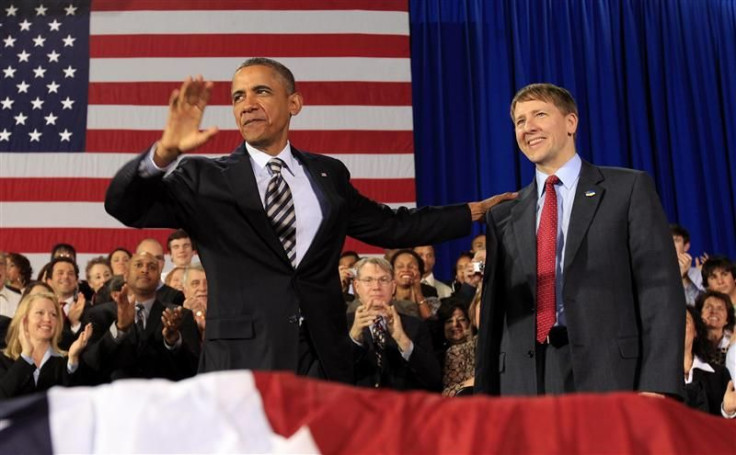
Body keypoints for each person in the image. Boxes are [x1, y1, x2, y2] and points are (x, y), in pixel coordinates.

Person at [104, 57, 515, 383]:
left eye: (261, 91)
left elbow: (393, 226)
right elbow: (125, 206)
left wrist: (473, 213)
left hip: (323, 354)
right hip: (244, 357)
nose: (247, 104)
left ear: (294, 103)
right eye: (237, 96)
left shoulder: (327, 174)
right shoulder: (204, 178)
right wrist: (163, 152)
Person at [475, 83, 685, 397]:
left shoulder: (627, 190)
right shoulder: (504, 214)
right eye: (519, 121)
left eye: (539, 115)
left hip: (611, 375)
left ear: (571, 122)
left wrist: (657, 385)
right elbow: (492, 316)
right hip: (524, 382)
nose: (527, 127)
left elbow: (660, 291)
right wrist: (486, 396)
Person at [348, 257, 441, 391]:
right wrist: (354, 337)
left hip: (400, 407)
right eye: (368, 280)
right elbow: (331, 376)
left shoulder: (415, 326)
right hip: (356, 406)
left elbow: (433, 379)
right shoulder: (340, 326)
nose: (376, 287)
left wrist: (402, 340)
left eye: (383, 280)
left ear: (393, 287)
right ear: (357, 287)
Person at [0, 292, 93, 399]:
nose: (48, 319)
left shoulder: (66, 362)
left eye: (53, 315)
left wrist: (73, 358)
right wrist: (25, 356)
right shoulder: (3, 359)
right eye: (40, 313)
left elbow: (77, 399)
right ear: (24, 320)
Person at [683, 306, 736, 418]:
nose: (677, 326)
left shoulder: (719, 374)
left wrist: (728, 411)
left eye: (684, 320)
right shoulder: (652, 376)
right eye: (672, 321)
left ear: (696, 331)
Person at [694, 291, 735, 366]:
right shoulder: (692, 341)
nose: (714, 311)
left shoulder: (733, 345)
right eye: (709, 307)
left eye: (720, 308)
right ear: (699, 314)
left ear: (727, 319)